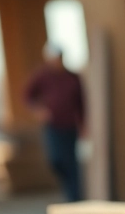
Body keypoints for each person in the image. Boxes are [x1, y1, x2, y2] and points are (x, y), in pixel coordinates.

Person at [24, 42, 86, 202]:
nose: (56, 61)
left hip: (70, 126)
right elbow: (28, 96)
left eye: (58, 58)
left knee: (71, 162)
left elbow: (81, 104)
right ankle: (70, 190)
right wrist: (38, 110)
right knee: (56, 160)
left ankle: (75, 198)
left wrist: (84, 125)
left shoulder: (72, 77)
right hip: (52, 126)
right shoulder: (42, 76)